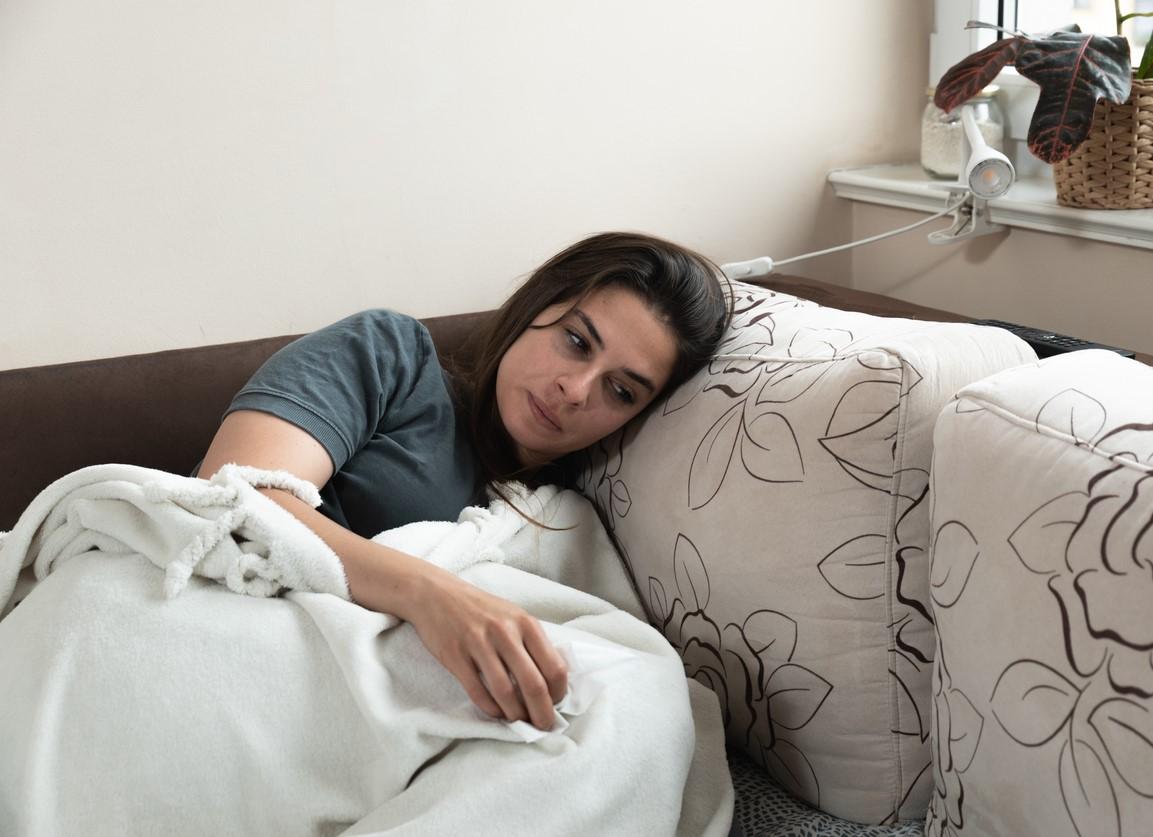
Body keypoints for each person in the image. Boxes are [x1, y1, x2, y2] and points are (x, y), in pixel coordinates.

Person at [197, 231, 729, 732]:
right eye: (575, 340)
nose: (576, 389)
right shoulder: (393, 356)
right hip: (241, 652)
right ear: (535, 306)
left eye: (620, 391)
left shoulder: (569, 516)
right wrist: (433, 597)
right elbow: (234, 499)